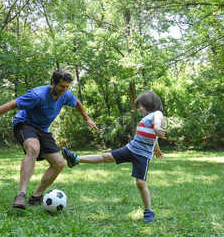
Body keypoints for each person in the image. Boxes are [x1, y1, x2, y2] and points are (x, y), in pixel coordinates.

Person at [0, 69, 98, 210]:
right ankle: (21, 194)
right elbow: (11, 104)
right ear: (53, 82)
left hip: (42, 129)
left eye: (67, 87)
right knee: (33, 148)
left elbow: (77, 102)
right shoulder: (37, 95)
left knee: (59, 164)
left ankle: (36, 196)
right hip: (24, 123)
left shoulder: (65, 95)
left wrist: (87, 118)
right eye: (62, 86)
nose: (64, 90)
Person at [62, 91, 166, 223]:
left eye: (141, 105)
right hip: (130, 148)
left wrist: (157, 128)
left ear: (149, 103)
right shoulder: (145, 118)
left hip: (142, 155)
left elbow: (157, 123)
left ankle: (149, 211)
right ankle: (75, 159)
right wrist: (157, 149)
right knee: (105, 157)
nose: (139, 108)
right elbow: (153, 136)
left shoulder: (157, 113)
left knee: (140, 182)